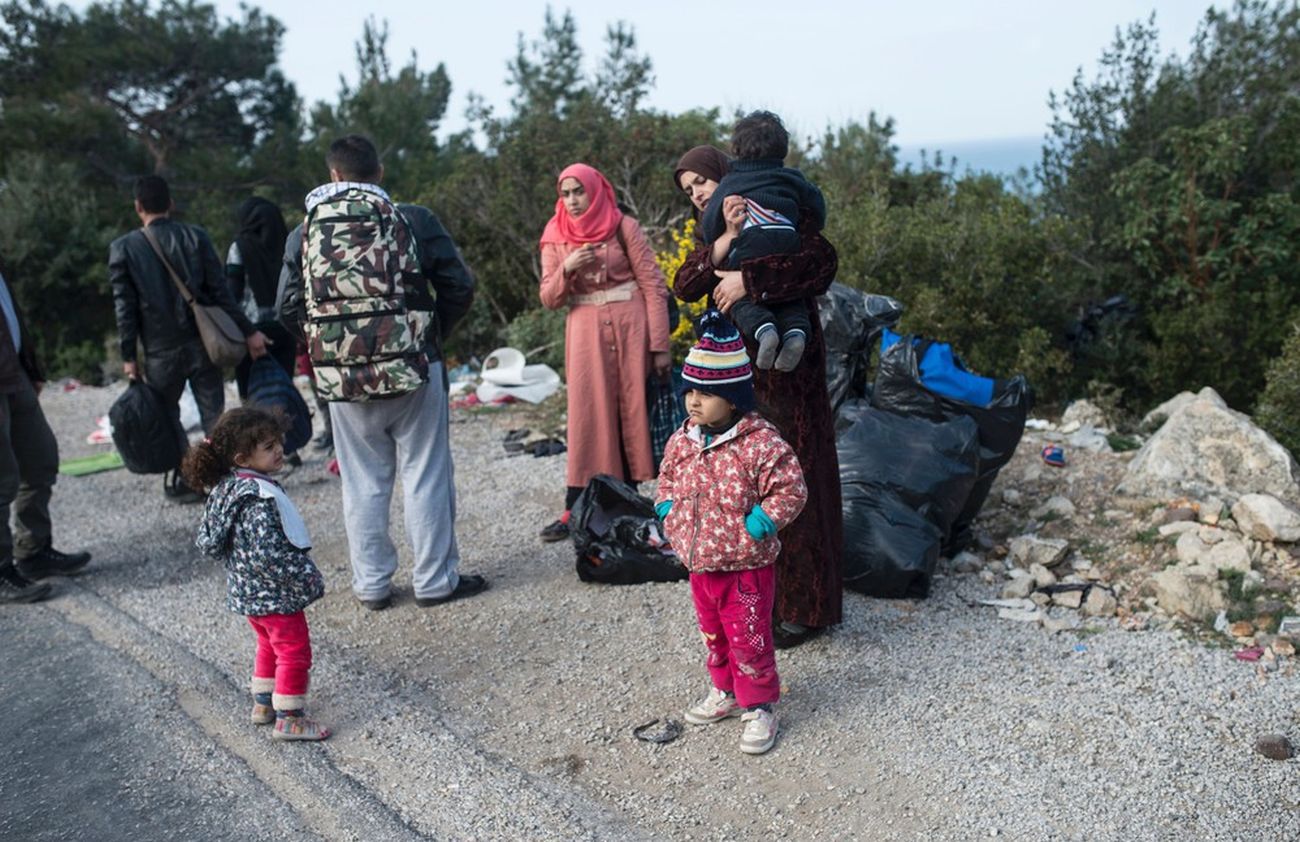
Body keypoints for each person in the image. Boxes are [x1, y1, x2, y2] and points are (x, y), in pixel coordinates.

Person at [277, 134, 482, 611]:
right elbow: (459, 286)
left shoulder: (306, 230)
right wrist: (427, 337)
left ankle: (371, 585)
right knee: (426, 473)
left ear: (333, 176)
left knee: (362, 479)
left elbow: (286, 306)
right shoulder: (413, 218)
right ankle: (434, 581)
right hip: (415, 365)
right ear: (380, 173)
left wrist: (330, 346)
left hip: (343, 378)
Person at [672, 143, 843, 649]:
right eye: (690, 190)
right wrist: (725, 241)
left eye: (703, 181)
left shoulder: (779, 208)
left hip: (788, 373)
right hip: (736, 376)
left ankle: (806, 606)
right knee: (742, 486)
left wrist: (749, 281)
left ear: (726, 175)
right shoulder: (717, 230)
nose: (699, 193)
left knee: (793, 475)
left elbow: (820, 261)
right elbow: (685, 282)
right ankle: (756, 603)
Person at [655, 311, 807, 755]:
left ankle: (759, 705)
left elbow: (791, 489)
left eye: (706, 393)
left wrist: (761, 522)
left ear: (735, 399)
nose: (694, 402)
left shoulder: (761, 444)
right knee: (713, 634)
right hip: (700, 563)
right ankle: (724, 692)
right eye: (690, 392)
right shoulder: (683, 439)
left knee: (750, 637)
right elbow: (667, 476)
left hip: (745, 566)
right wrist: (666, 507)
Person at [109, 175, 269, 502]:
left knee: (169, 416)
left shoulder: (124, 248)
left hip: (159, 351)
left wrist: (129, 356)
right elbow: (222, 293)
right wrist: (248, 330)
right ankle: (222, 478)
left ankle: (189, 478)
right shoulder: (195, 236)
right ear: (170, 203)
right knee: (214, 413)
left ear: (138, 207)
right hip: (203, 342)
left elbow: (125, 310)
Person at [537, 163, 671, 541]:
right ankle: (575, 506)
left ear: (596, 189)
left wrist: (659, 345)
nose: (573, 200)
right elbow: (549, 298)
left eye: (579, 191)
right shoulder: (554, 234)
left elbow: (652, 284)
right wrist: (566, 267)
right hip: (585, 334)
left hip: (631, 329)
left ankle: (626, 501)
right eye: (566, 193)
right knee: (588, 417)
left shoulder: (622, 226)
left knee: (631, 412)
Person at [185, 407, 329, 741]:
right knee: (294, 650)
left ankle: (263, 703)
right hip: (274, 594)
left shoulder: (229, 489)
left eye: (278, 441)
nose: (279, 450)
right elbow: (269, 555)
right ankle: (290, 718)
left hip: (249, 594)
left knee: (268, 644)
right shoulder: (257, 500)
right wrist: (305, 576)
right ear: (242, 457)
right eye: (268, 446)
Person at [699, 111, 827, 372]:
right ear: (782, 149)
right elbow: (816, 202)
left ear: (736, 149)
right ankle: (796, 334)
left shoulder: (732, 182)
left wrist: (719, 234)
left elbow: (710, 222)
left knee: (741, 300)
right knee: (793, 301)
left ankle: (763, 329)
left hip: (751, 240)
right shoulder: (792, 178)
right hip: (787, 238)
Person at [0, 258, 92, 603]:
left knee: (40, 460)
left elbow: (12, 318)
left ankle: (33, 551)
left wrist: (32, 367)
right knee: (2, 480)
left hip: (15, 376)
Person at [225, 198, 297, 400]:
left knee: (252, 397)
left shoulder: (239, 247)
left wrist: (246, 331)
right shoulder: (289, 246)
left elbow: (232, 295)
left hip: (251, 333)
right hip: (285, 330)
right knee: (282, 394)